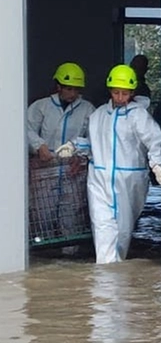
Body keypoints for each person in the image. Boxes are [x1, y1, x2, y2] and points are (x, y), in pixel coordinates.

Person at [86, 64, 161, 264]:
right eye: (116, 92)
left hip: (130, 181)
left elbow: (155, 140)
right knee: (103, 228)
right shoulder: (98, 116)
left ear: (132, 93)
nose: (120, 97)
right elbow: (91, 144)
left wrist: (156, 165)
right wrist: (73, 146)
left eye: (125, 93)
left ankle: (114, 283)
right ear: (110, 91)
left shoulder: (138, 116)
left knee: (122, 231)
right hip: (98, 179)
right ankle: (107, 283)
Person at [26, 62, 96, 240]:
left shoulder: (88, 109)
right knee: (42, 215)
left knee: (72, 214)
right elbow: (25, 129)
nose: (72, 94)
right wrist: (39, 145)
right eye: (68, 89)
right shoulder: (41, 107)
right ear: (58, 86)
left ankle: (70, 258)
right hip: (44, 167)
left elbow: (95, 138)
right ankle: (45, 258)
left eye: (76, 90)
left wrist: (80, 156)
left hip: (72, 169)